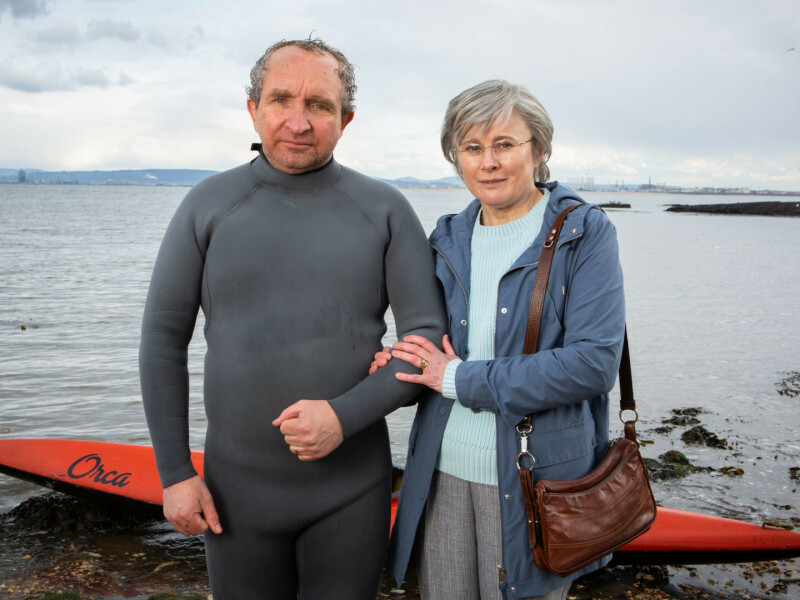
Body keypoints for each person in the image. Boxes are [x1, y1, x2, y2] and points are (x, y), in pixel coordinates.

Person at [139, 38, 446, 600]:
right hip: (234, 494)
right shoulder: (208, 204)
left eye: (319, 105)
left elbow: (426, 342)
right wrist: (176, 473)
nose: (298, 122)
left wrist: (343, 416)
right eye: (281, 100)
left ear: (345, 119)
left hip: (351, 492)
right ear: (253, 109)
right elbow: (162, 340)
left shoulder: (384, 210)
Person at [373, 80, 626, 600]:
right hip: (440, 471)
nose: (488, 162)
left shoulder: (585, 233)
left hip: (535, 480)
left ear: (539, 149)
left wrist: (458, 378)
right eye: (472, 147)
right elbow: (437, 354)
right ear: (456, 158)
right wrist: (403, 361)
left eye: (504, 144)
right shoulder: (445, 239)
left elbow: (593, 365)